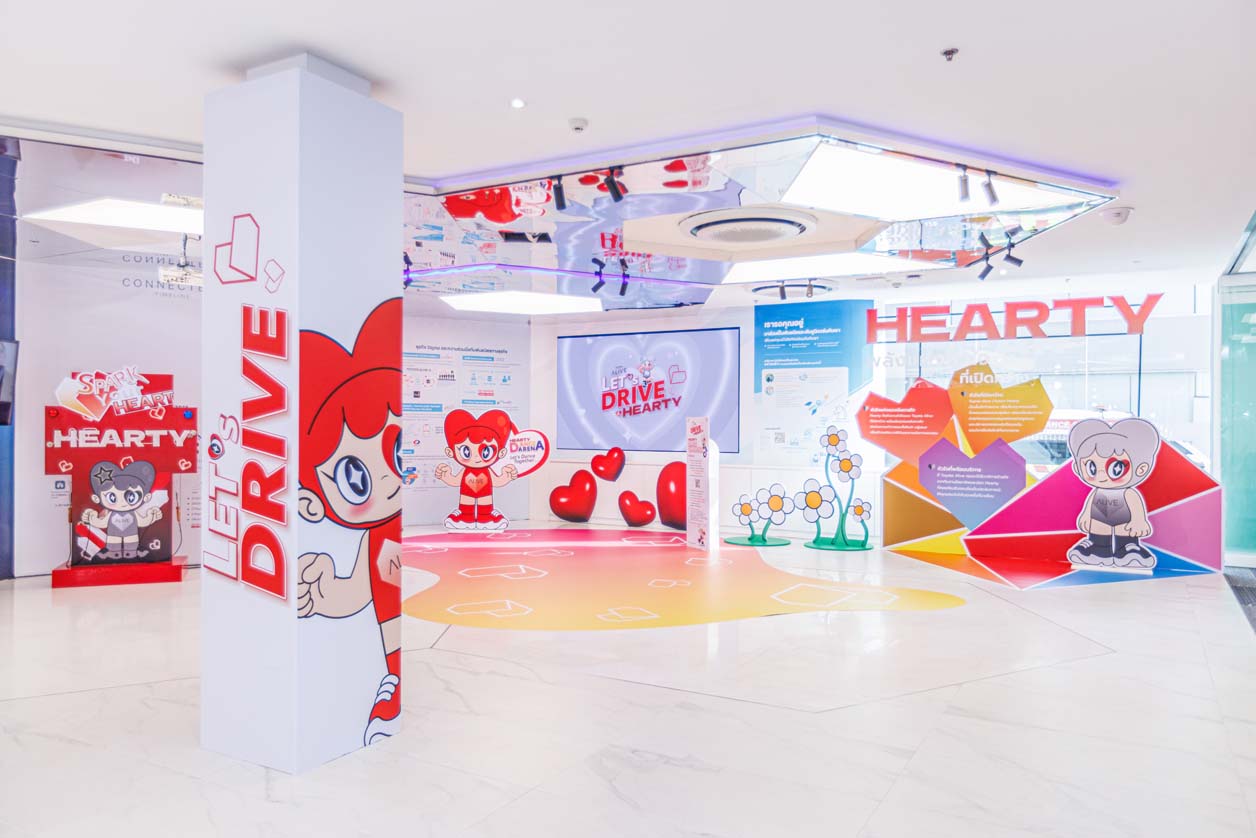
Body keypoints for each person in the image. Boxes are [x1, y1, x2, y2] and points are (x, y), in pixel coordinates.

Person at [296, 298, 405, 745]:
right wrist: (323, 594)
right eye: (355, 477)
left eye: (395, 450)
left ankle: (392, 685)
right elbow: (358, 592)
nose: (389, 477)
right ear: (312, 504)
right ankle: (389, 685)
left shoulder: (388, 530)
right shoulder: (376, 537)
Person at [1066, 417, 1160, 569]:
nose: (1101, 475)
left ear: (1141, 469)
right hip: (1099, 517)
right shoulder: (1096, 492)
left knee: (1126, 533)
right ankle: (1098, 548)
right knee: (1098, 532)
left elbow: (1136, 507)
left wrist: (1138, 521)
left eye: (1116, 468)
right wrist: (1085, 515)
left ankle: (1129, 549)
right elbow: (1089, 504)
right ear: (1078, 468)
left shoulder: (1128, 493)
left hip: (1124, 519)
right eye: (1091, 467)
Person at [434, 409, 519, 530]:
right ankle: (465, 518)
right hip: (466, 493)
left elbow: (496, 481)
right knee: (466, 503)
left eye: (486, 451)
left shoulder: (487, 471)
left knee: (485, 503)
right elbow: (456, 481)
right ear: (450, 451)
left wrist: (507, 477)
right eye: (466, 451)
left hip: (485, 493)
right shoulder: (466, 471)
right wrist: (445, 476)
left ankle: (485, 518)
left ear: (501, 453)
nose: (475, 457)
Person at [81, 460, 162, 559]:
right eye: (112, 497)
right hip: (113, 537)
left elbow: (142, 522)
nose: (122, 502)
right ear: (96, 498)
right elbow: (102, 523)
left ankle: (131, 553)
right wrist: (91, 518)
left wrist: (152, 516)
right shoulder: (111, 514)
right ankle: (114, 553)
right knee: (113, 542)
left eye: (131, 497)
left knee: (131, 542)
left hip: (131, 536)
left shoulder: (132, 514)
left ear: (146, 497)